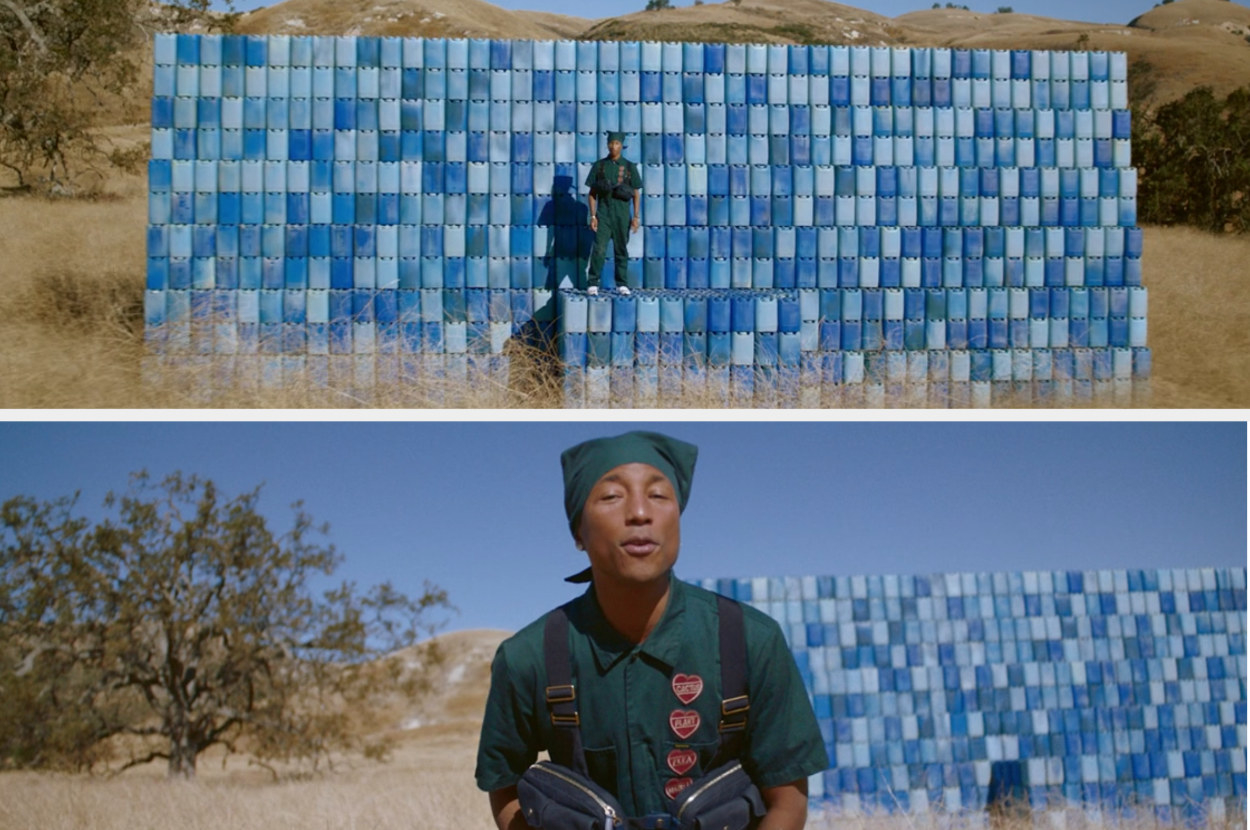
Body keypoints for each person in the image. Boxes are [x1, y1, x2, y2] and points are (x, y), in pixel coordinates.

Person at [476, 431, 829, 830]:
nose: (640, 513)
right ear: (578, 533)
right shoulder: (529, 658)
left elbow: (787, 801)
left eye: (659, 496)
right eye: (611, 497)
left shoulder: (751, 642)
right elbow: (504, 787)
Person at [584, 132, 643, 296]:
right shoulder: (599, 166)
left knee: (621, 250)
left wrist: (636, 217)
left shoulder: (630, 167)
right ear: (607, 145)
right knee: (599, 249)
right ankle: (593, 282)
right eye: (611, 143)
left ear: (621, 146)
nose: (613, 146)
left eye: (616, 143)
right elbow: (591, 193)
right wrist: (593, 215)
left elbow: (636, 193)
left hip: (622, 216)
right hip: (603, 214)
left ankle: (621, 283)